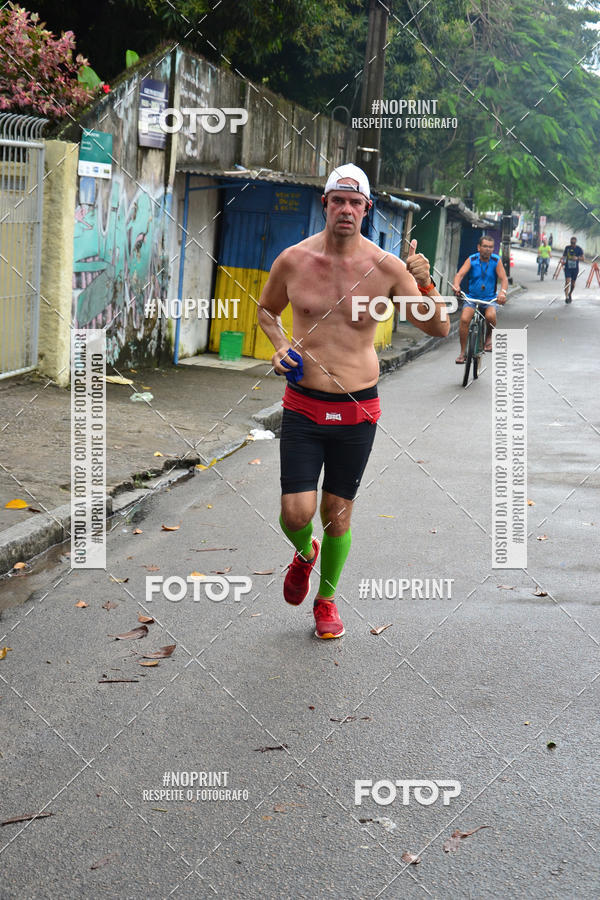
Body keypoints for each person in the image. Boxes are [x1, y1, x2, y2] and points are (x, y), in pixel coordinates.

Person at [257, 163, 449, 639]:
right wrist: (280, 347)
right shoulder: (293, 261)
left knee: (336, 513)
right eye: (337, 199)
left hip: (357, 409)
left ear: (366, 209)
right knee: (296, 514)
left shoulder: (386, 268)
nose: (346, 208)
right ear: (325, 204)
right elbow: (266, 310)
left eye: (355, 202)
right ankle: (305, 552)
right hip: (303, 404)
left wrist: (424, 284)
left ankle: (326, 601)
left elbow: (438, 326)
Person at [452, 236, 508, 363]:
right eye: (485, 246)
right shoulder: (472, 259)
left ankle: (488, 337)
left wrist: (502, 293)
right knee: (465, 320)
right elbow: (459, 275)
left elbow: (504, 278)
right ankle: (462, 353)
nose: (488, 249)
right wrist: (456, 285)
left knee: (490, 316)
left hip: (489, 299)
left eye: (490, 247)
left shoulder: (496, 260)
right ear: (479, 247)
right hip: (471, 298)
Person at [561, 236, 584, 303]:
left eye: (574, 243)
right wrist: (562, 260)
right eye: (571, 243)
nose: (572, 244)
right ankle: (566, 297)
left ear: (575, 242)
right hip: (568, 267)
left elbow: (583, 258)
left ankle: (570, 293)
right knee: (567, 281)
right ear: (570, 242)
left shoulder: (579, 249)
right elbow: (564, 256)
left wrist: (577, 258)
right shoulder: (567, 248)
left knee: (573, 284)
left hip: (575, 269)